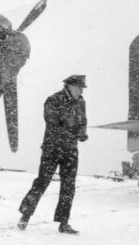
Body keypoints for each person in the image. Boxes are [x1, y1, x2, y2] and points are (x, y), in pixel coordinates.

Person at [17, 74, 88, 235]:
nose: (80, 91)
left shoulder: (81, 102)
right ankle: (25, 216)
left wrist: (82, 133)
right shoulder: (53, 100)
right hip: (52, 148)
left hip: (70, 150)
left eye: (82, 88)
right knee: (42, 182)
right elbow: (52, 122)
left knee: (68, 186)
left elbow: (83, 121)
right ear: (68, 86)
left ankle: (64, 223)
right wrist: (71, 131)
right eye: (78, 87)